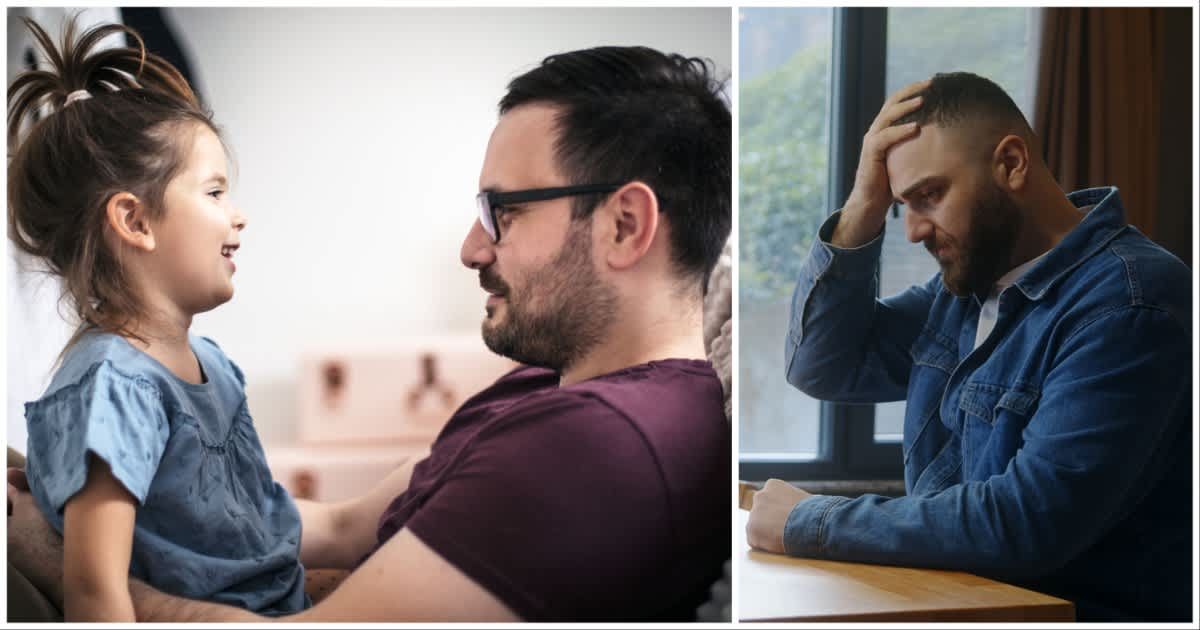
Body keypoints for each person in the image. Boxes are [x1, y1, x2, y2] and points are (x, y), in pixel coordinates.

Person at [9, 44, 732, 622]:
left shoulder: (597, 446)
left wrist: (47, 549)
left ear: (626, 224)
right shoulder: (556, 378)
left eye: (503, 212)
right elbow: (338, 527)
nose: (471, 250)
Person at [745, 72, 1192, 621]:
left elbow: (1027, 522)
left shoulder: (1132, 302)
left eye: (929, 195)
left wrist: (812, 521)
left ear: (1011, 163)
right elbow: (823, 367)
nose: (911, 231)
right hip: (963, 608)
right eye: (899, 205)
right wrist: (862, 204)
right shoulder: (966, 289)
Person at [6, 17, 313, 620]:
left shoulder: (214, 367)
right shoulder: (110, 388)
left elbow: (261, 524)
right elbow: (95, 592)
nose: (239, 214)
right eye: (215, 192)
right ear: (136, 222)